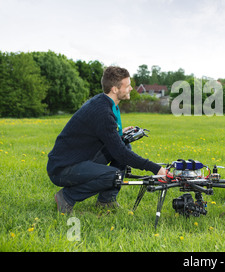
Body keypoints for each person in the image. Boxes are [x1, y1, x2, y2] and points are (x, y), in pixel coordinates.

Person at [47, 66, 167, 214]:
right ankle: (66, 198)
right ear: (115, 89)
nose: (131, 88)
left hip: (79, 160)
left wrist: (118, 133)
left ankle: (106, 201)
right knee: (114, 173)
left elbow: (103, 135)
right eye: (127, 85)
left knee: (125, 146)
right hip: (62, 168)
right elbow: (120, 153)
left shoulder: (104, 103)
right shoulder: (102, 111)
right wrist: (156, 168)